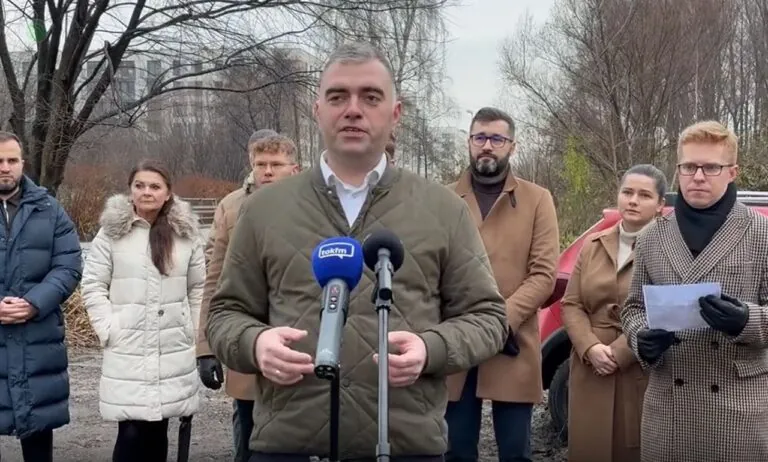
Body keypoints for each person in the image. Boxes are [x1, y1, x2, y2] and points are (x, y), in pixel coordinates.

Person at [206, 41, 509, 461]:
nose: (353, 109)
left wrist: (432, 348)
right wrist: (254, 343)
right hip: (287, 445)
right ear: (317, 110)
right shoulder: (263, 209)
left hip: (405, 444)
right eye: (337, 96)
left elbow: (488, 317)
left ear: (395, 113)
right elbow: (224, 315)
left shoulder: (444, 210)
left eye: (370, 96)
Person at [621, 120, 768, 462]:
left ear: (732, 172)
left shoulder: (761, 233)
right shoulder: (652, 237)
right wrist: (640, 337)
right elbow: (632, 308)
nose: (698, 176)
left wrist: (747, 320)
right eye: (688, 166)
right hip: (670, 406)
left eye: (710, 167)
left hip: (737, 410)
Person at [445, 107, 560, 462]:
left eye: (497, 139)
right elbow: (429, 269)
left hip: (512, 338)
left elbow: (544, 274)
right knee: (455, 450)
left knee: (515, 452)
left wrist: (499, 320)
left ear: (512, 145)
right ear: (469, 142)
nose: (487, 146)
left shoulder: (537, 199)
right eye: (480, 137)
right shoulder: (443, 198)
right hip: (456, 338)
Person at [81, 160, 206, 462]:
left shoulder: (185, 235)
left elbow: (199, 289)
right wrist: (108, 327)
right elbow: (93, 285)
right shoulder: (111, 234)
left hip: (171, 345)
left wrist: (193, 331)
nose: (146, 192)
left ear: (167, 193)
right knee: (131, 431)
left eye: (154, 186)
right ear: (130, 190)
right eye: (139, 185)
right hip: (128, 347)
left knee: (158, 429)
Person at [196, 129, 300, 462]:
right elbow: (214, 281)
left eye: (276, 164)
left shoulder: (315, 206)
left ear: (294, 168)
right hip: (247, 336)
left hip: (301, 336)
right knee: (249, 436)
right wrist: (205, 347)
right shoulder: (231, 208)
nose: (268, 171)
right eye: (261, 163)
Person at [561, 164, 667, 462]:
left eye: (644, 195)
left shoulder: (670, 249)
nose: (633, 200)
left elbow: (664, 309)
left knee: (631, 449)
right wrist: (590, 347)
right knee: (589, 449)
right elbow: (572, 304)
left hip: (637, 366)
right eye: (627, 192)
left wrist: (619, 353)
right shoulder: (593, 245)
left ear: (660, 205)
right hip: (589, 366)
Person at [0, 131, 82, 462]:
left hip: (38, 341)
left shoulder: (49, 209)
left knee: (36, 434)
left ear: (23, 163)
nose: (4, 167)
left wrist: (35, 303)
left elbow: (69, 264)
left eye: (11, 160)